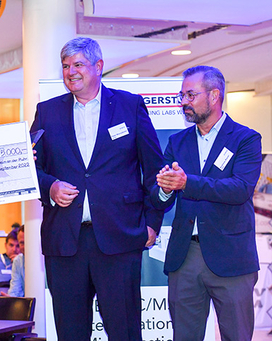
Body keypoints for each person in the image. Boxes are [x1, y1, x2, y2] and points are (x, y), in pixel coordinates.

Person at [30, 37, 163, 340]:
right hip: (65, 241)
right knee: (71, 332)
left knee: (124, 331)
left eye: (78, 64)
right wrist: (50, 187)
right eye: (65, 66)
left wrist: (152, 223)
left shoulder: (130, 105)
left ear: (99, 66)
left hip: (120, 238)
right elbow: (30, 168)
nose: (70, 71)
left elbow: (154, 169)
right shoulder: (47, 111)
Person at [152, 65, 261, 340]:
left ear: (214, 96)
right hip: (184, 256)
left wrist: (187, 183)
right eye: (182, 96)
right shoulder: (177, 142)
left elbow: (240, 189)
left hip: (231, 257)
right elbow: (158, 195)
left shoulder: (245, 139)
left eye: (190, 95)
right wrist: (165, 189)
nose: (183, 102)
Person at [8, 226, 25, 297]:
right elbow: (15, 291)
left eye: (29, 241)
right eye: (22, 243)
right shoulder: (18, 261)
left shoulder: (47, 260)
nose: (26, 246)